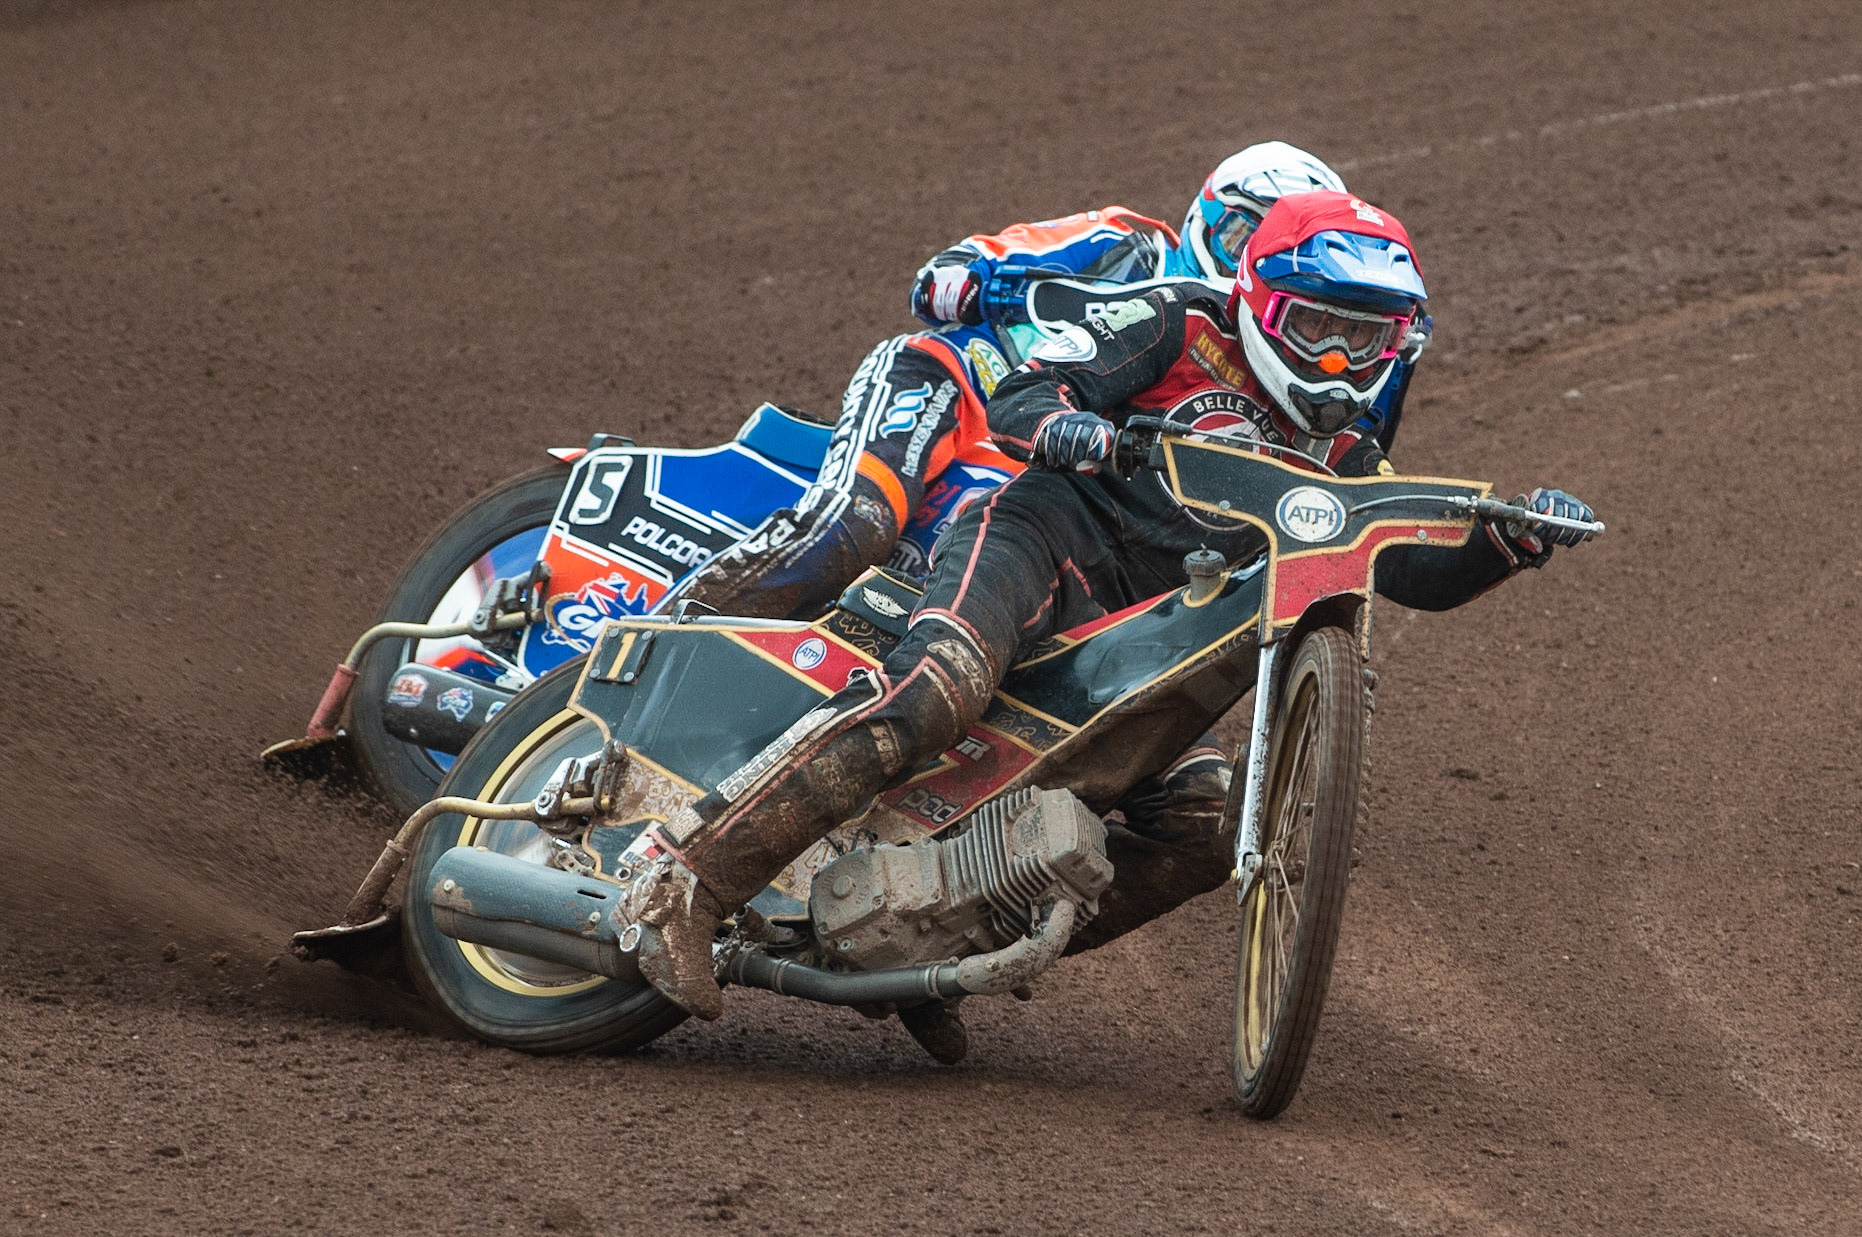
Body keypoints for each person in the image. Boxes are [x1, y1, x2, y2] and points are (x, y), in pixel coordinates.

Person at [619, 190, 1596, 1031]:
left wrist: (1502, 545)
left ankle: (933, 956)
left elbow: (1405, 572)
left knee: (1207, 823)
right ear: (1260, 303)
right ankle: (687, 883)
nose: (1338, 364)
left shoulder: (1343, 456)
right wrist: (1071, 425)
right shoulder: (1175, 323)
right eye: (1316, 330)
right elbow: (1020, 393)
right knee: (934, 692)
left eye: (1364, 340)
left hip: (1133, 640)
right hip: (1041, 540)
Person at [662, 143, 1414, 621]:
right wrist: (998, 286)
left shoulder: (1264, 368)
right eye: (1238, 232)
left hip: (1053, 478)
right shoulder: (1128, 242)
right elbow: (941, 278)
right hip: (963, 384)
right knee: (856, 522)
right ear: (1200, 220)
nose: (1246, 254)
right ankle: (655, 638)